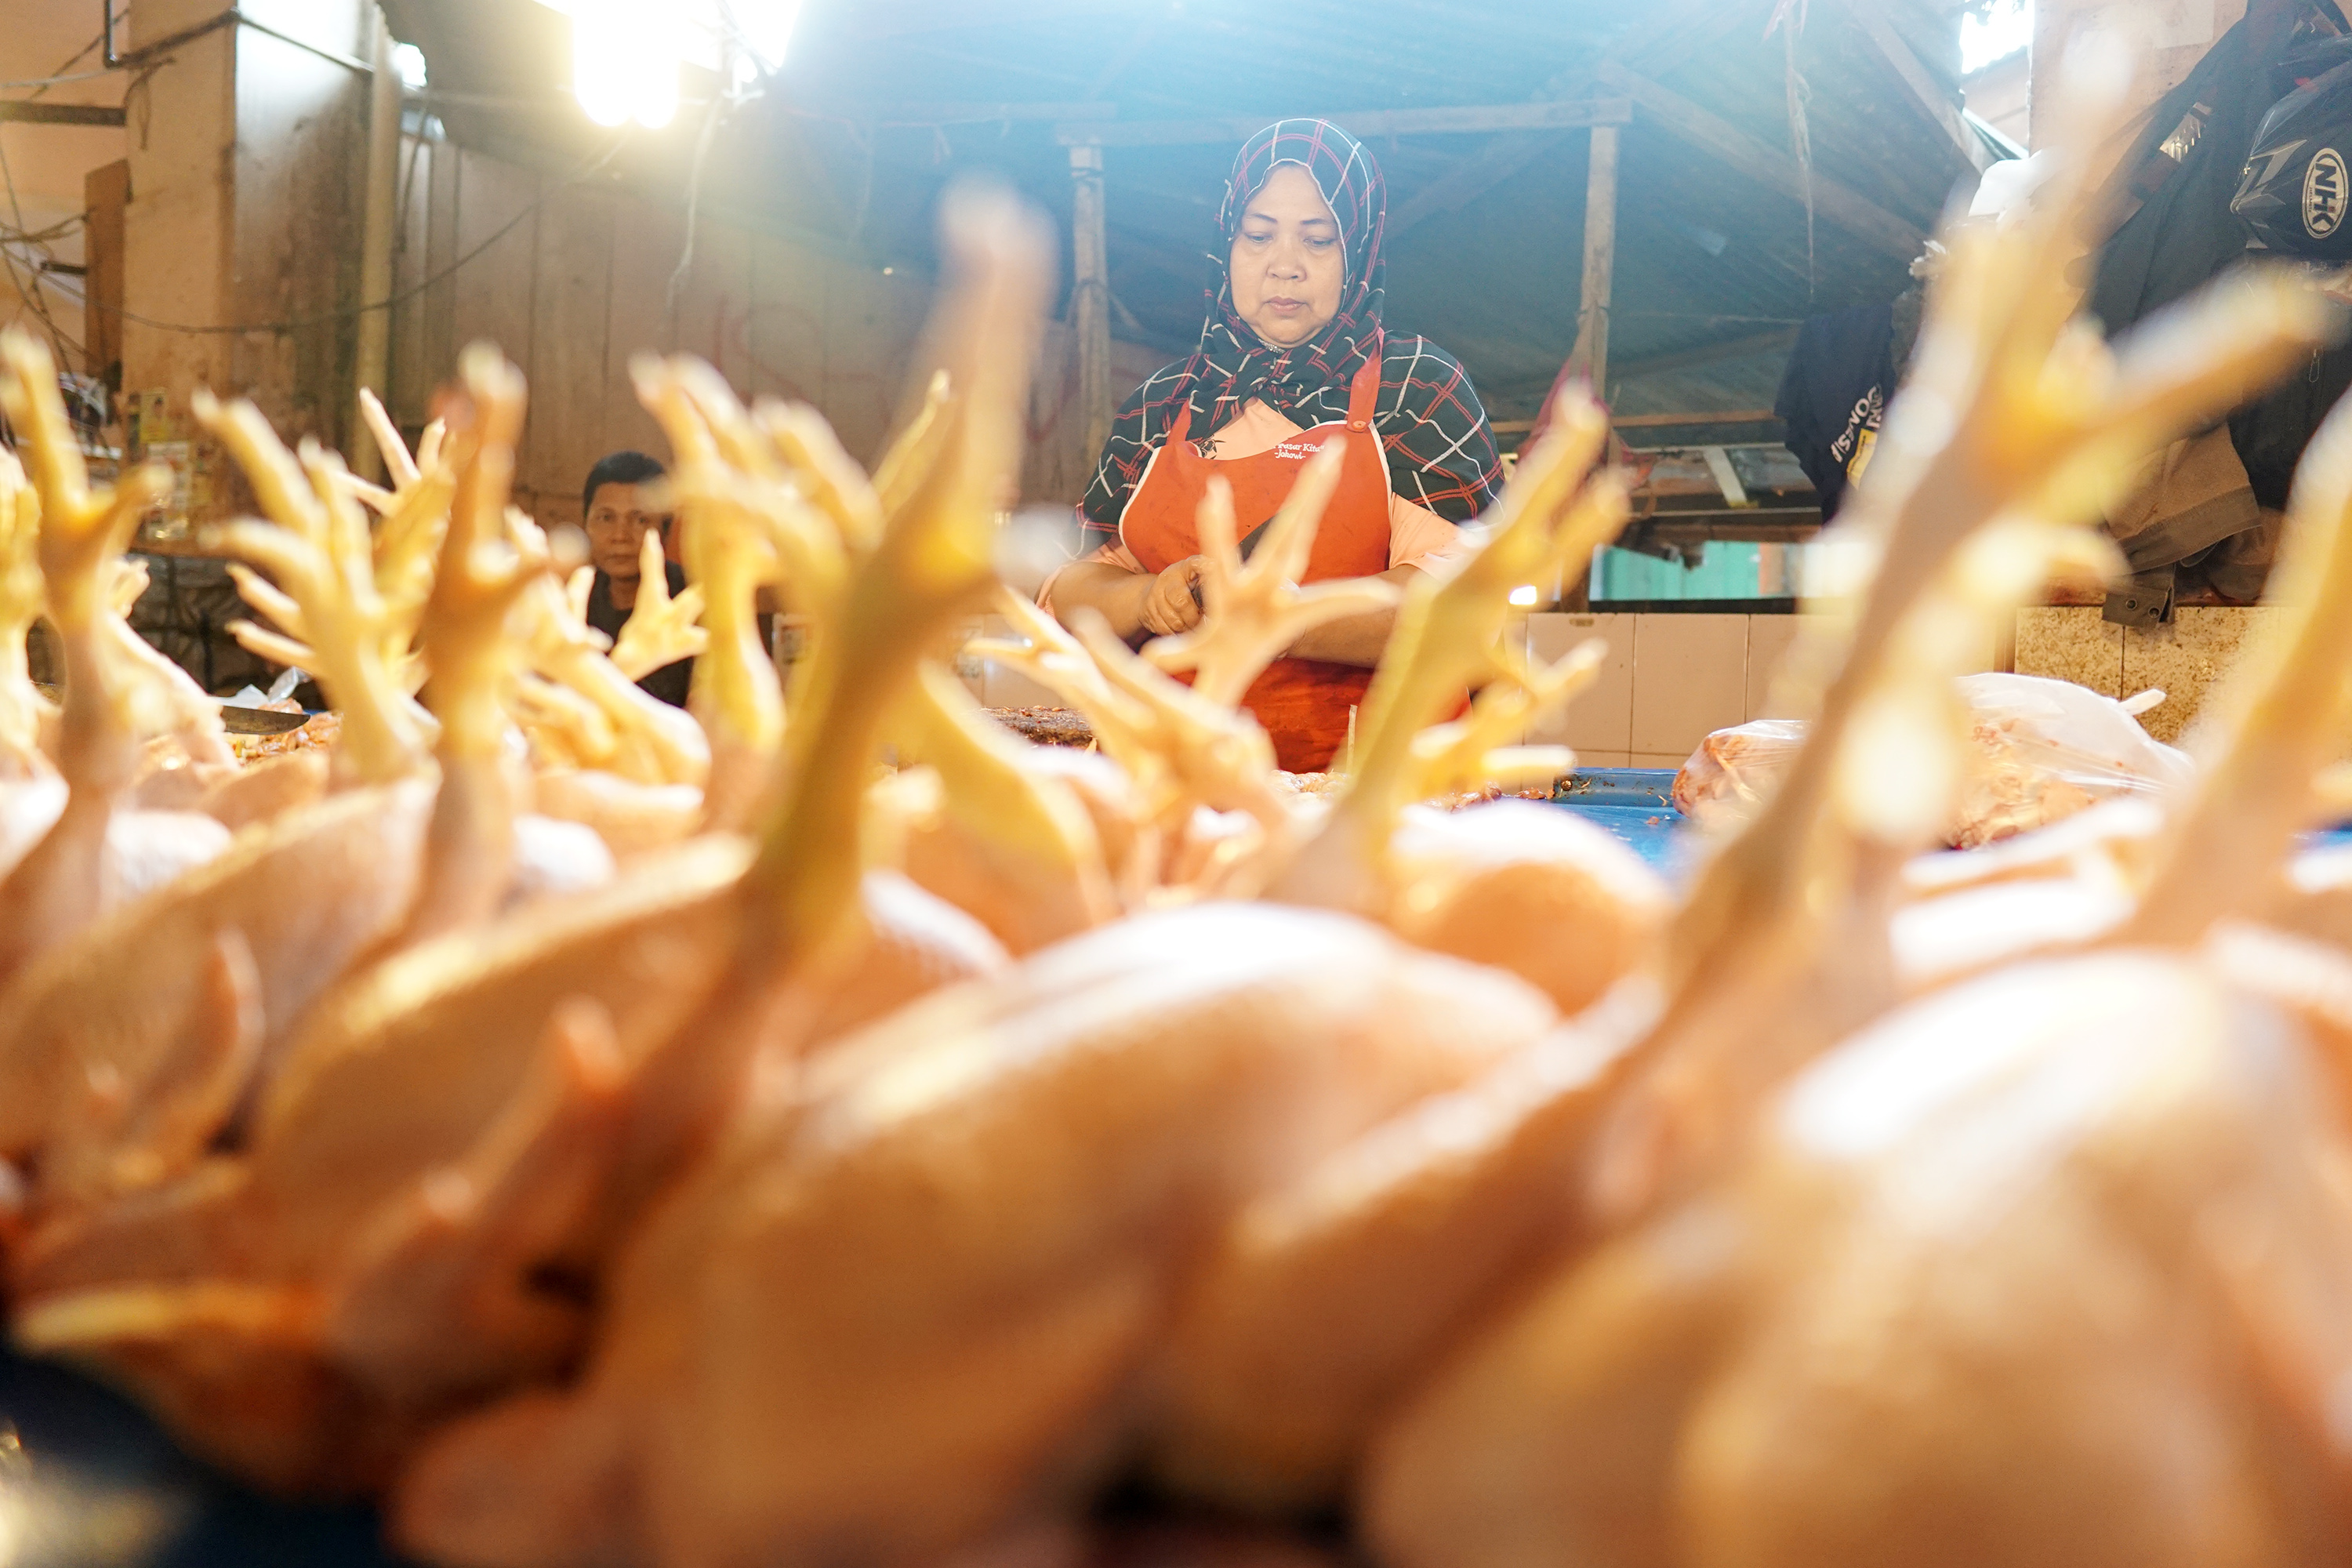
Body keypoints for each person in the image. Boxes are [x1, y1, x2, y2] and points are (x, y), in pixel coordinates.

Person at [1044, 118, 1501, 771]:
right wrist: (1145, 600)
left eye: (1319, 240)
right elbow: (1072, 586)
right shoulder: (1164, 403)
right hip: (1179, 792)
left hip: (1380, 800)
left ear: (1360, 252)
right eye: (1258, 236)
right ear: (1225, 246)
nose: (1285, 265)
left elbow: (1464, 603)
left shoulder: (1416, 389)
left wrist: (1285, 621)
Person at [581, 449, 694, 707]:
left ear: (665, 530)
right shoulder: (572, 599)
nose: (620, 535)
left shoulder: (693, 603)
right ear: (587, 524)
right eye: (606, 518)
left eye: (640, 519)